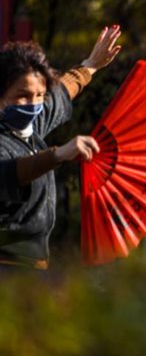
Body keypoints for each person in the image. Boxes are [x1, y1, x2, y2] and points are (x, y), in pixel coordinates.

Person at [0, 26, 122, 268]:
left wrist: (90, 65)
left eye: (38, 95)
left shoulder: (32, 126)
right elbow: (10, 172)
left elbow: (61, 93)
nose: (33, 104)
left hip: (36, 264)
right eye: (22, 96)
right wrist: (56, 154)